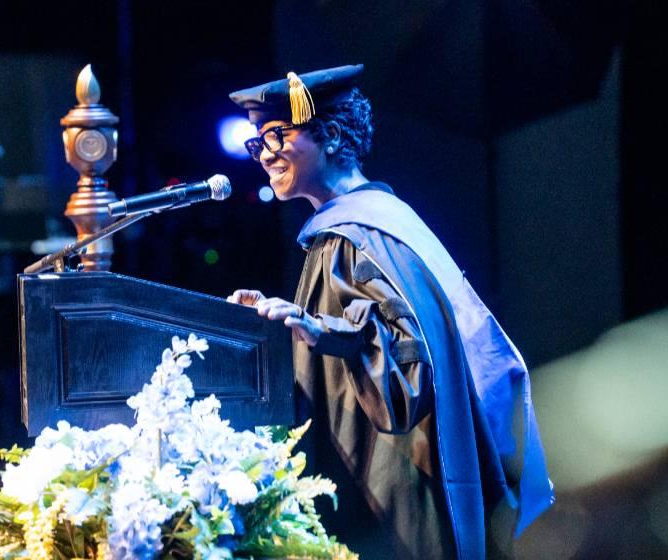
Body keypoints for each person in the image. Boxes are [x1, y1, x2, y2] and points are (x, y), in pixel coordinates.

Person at [227, 65, 553, 559]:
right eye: (258, 143)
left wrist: (320, 329)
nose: (265, 154)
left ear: (330, 135)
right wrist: (282, 326)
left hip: (393, 490)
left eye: (278, 136)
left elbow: (404, 384)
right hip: (392, 481)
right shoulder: (377, 226)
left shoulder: (355, 237)